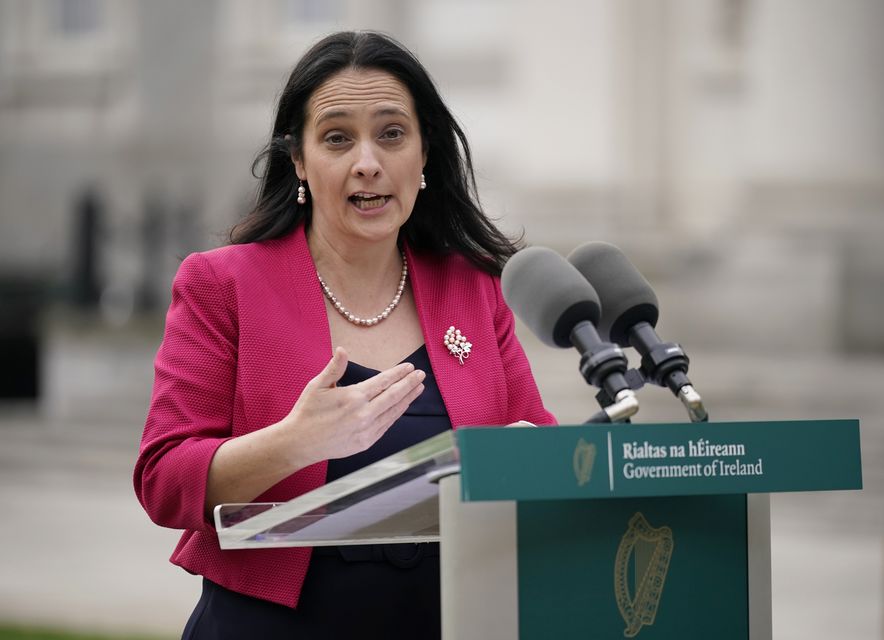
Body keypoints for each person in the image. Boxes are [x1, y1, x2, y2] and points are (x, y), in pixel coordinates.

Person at [134, 30, 555, 639]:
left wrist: (529, 457)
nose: (367, 161)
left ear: (425, 153)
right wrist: (293, 443)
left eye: (391, 133)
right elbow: (163, 480)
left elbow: (535, 442)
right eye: (337, 138)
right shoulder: (223, 283)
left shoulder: (473, 285)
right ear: (299, 161)